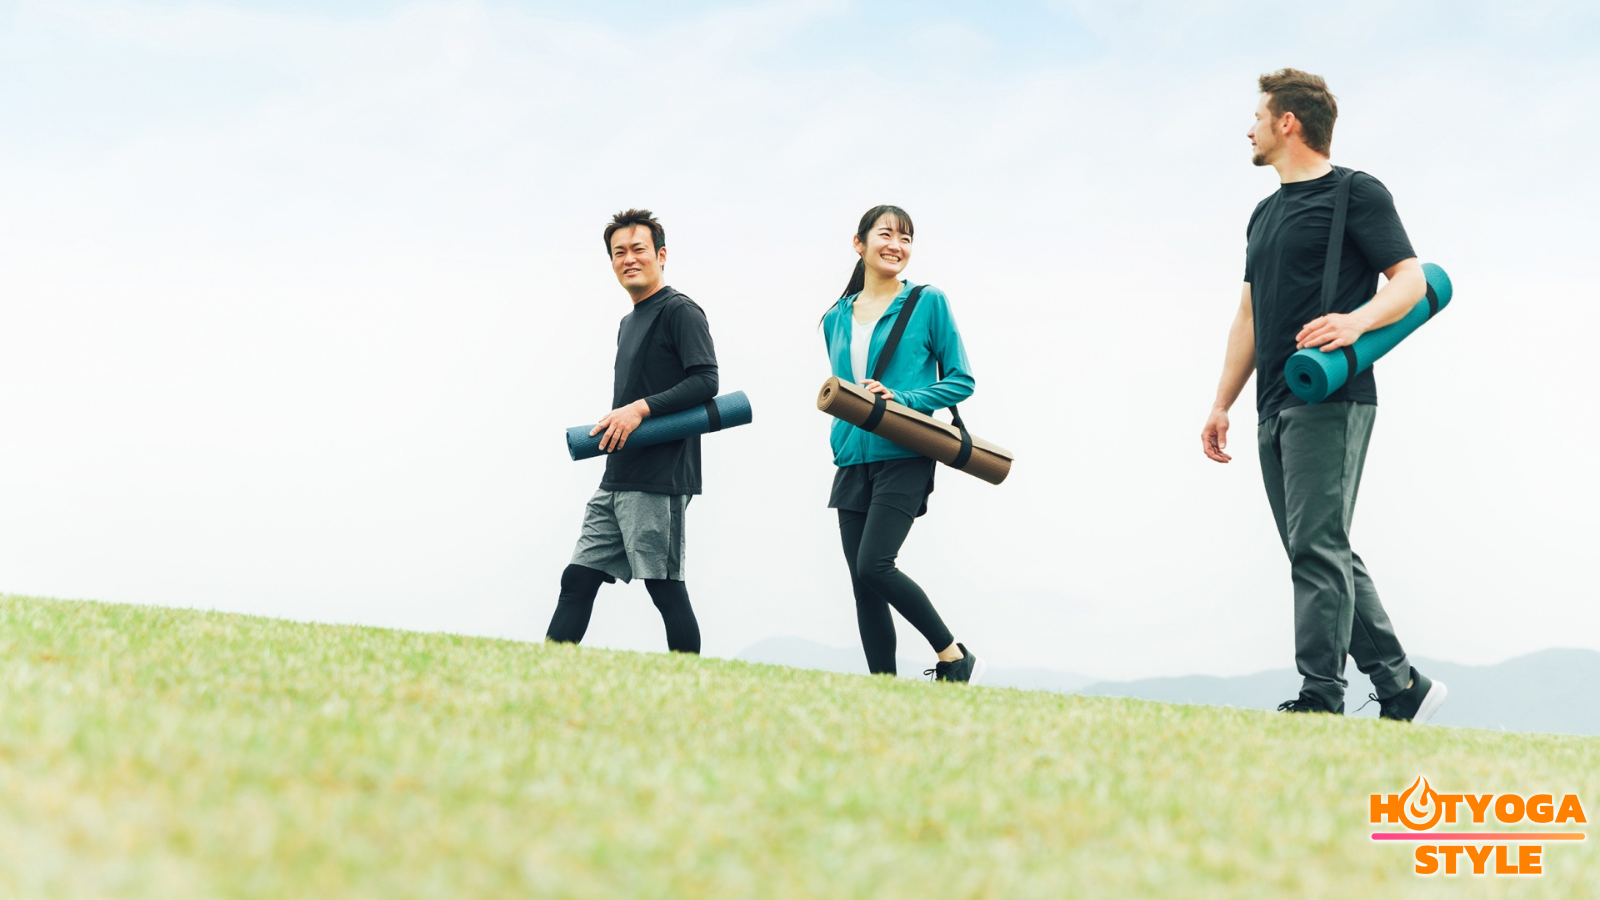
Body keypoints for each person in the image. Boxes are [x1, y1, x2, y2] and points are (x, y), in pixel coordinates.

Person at [1200, 69, 1447, 722]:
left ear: (1289, 123)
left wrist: (1355, 321)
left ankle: (1320, 696)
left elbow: (1412, 281)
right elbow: (1248, 317)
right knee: (1318, 546)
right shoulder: (1263, 214)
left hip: (1333, 398)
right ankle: (1400, 686)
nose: (1247, 127)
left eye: (1257, 115)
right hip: (1272, 402)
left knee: (1316, 546)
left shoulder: (1355, 194)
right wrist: (1222, 401)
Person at [820, 205, 985, 683]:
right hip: (851, 457)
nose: (896, 245)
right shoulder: (835, 317)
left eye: (906, 238)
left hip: (905, 453)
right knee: (862, 585)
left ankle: (953, 654)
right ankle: (883, 688)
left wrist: (903, 399)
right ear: (860, 244)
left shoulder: (927, 302)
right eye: (886, 234)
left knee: (875, 565)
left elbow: (961, 379)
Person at [545, 209, 717, 654]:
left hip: (660, 476)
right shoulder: (628, 321)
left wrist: (639, 409)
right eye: (619, 252)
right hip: (617, 473)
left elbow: (705, 382)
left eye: (638, 249)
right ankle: (545, 673)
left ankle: (689, 689)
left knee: (663, 587)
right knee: (578, 577)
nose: (629, 259)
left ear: (660, 255)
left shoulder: (680, 311)